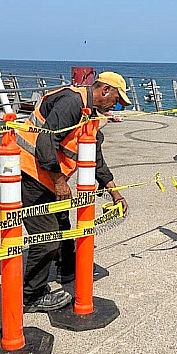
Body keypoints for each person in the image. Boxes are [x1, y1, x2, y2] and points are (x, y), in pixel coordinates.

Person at [16, 71, 130, 312]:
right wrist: (59, 182)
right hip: (30, 172)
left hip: (49, 176)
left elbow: (95, 157)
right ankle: (31, 296)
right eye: (116, 100)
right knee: (46, 238)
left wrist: (114, 192)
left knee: (63, 230)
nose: (116, 106)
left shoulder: (91, 115)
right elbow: (45, 142)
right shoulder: (72, 102)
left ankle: (67, 271)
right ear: (105, 90)